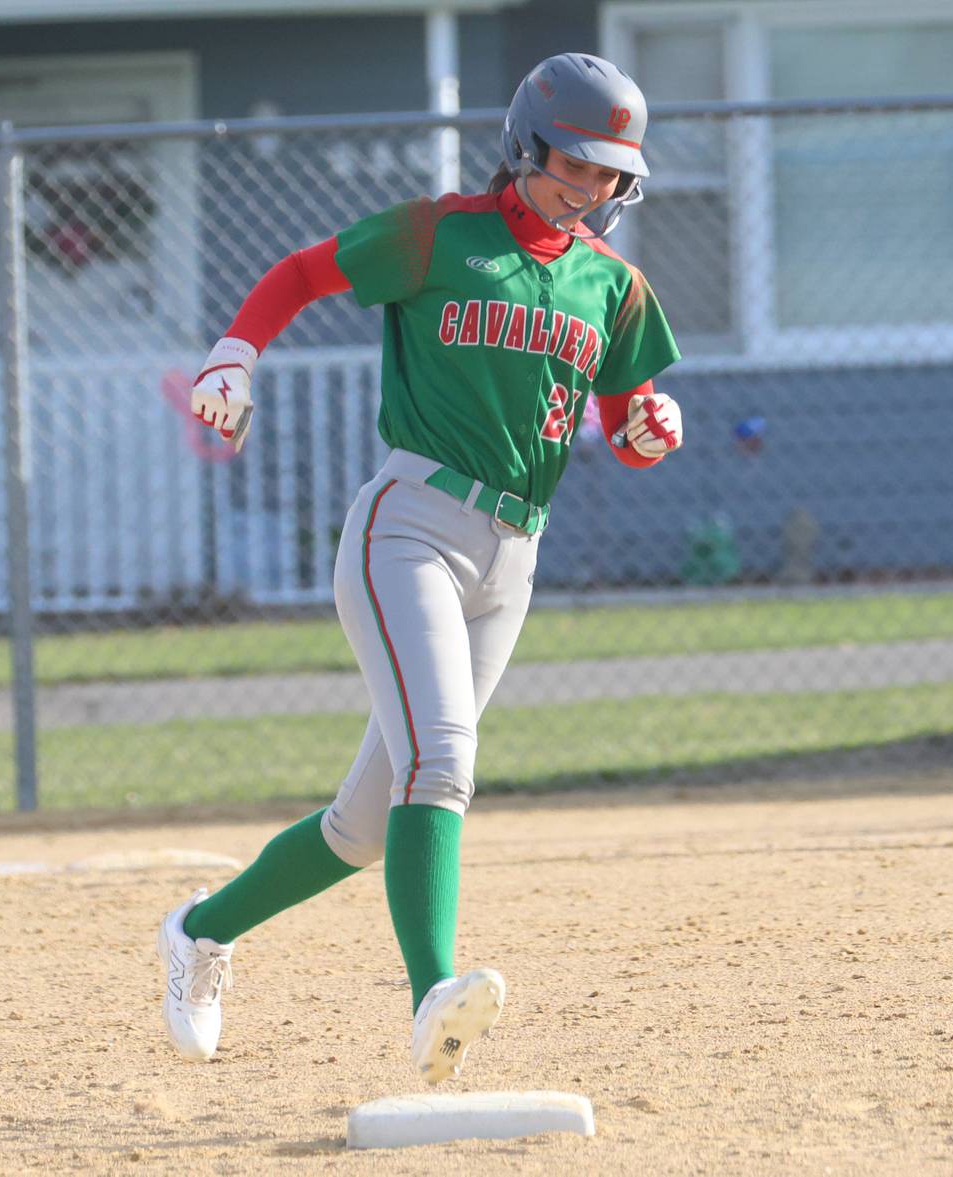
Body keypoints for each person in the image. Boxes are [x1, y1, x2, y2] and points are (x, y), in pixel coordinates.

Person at [158, 52, 684, 1084]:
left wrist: (650, 431)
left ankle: (200, 931)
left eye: (611, 172)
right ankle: (431, 997)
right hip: (412, 525)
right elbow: (305, 272)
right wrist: (235, 352)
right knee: (440, 762)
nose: (591, 187)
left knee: (364, 824)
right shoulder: (442, 233)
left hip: (514, 554)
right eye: (573, 163)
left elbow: (625, 423)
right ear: (525, 147)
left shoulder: (612, 285)